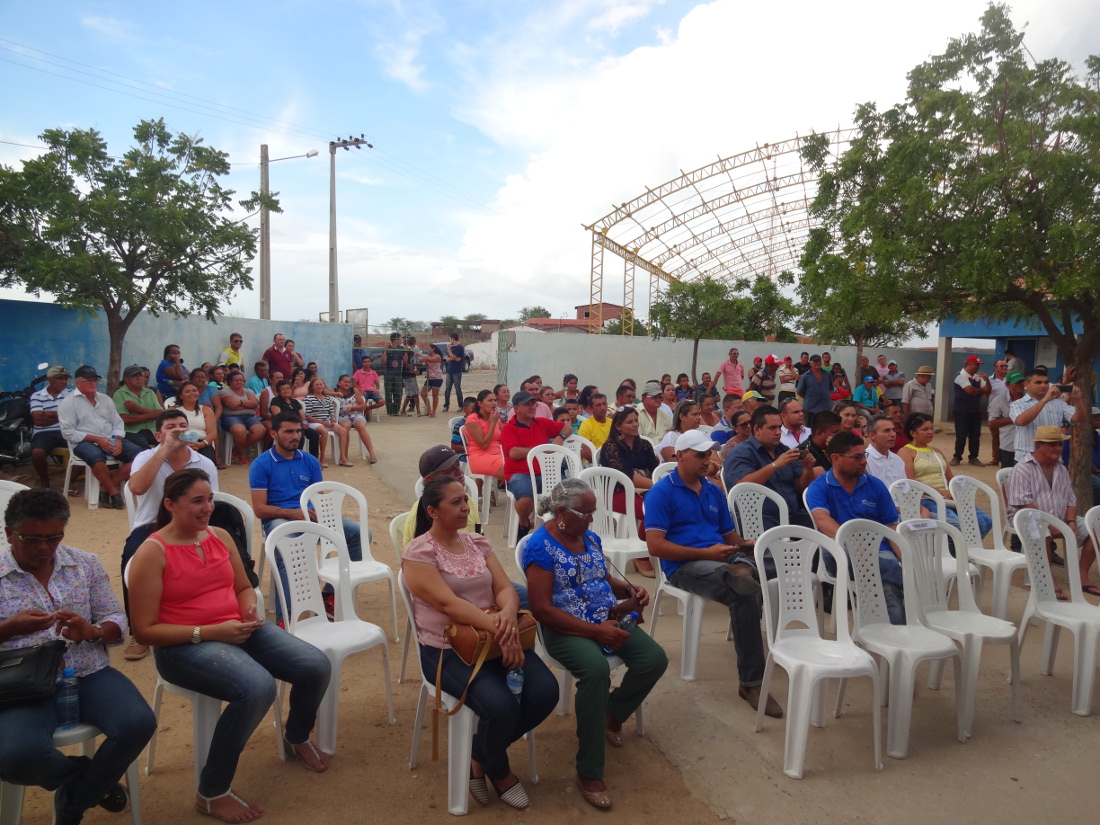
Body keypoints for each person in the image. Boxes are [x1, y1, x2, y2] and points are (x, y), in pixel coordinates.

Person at [129, 469, 331, 822]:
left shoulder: (219, 536)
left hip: (236, 627)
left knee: (314, 665)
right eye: (197, 501)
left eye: (209, 499)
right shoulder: (152, 552)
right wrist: (210, 632)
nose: (207, 508)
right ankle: (212, 791)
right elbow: (145, 631)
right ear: (170, 505)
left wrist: (246, 609)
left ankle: (296, 735)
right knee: (256, 687)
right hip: (184, 645)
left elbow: (241, 585)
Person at [0, 489, 156, 825]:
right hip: (20, 683)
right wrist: (8, 629)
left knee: (138, 723)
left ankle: (72, 802)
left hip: (87, 671)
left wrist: (94, 632)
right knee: (15, 757)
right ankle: (88, 781)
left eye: (54, 537)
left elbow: (116, 617)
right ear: (9, 533)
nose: (44, 547)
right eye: (32, 539)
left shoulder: (83, 563)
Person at [402, 477, 557, 812]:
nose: (465, 507)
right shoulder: (419, 553)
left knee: (545, 692)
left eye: (465, 499)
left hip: (495, 638)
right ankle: (499, 771)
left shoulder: (477, 542)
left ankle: (479, 755)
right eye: (456, 502)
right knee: (500, 706)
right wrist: (504, 630)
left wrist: (509, 616)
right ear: (433, 511)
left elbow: (504, 588)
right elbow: (448, 605)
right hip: (446, 648)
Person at [522, 479, 667, 811]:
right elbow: (542, 608)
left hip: (606, 615)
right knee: (595, 670)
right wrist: (596, 632)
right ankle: (589, 771)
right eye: (585, 514)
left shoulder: (588, 537)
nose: (591, 520)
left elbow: (600, 578)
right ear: (561, 513)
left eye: (592, 513)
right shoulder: (540, 547)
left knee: (654, 659)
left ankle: (611, 715)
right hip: (564, 627)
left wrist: (629, 591)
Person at [645, 430, 781, 717]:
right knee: (739, 588)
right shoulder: (661, 492)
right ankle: (751, 683)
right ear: (679, 455)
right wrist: (707, 553)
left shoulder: (712, 490)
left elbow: (731, 537)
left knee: (778, 563)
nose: (707, 461)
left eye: (709, 455)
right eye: (699, 455)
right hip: (684, 566)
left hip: (722, 555)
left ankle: (744, 570)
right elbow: (656, 546)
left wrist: (750, 546)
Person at [120, 408, 220, 660]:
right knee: (130, 559)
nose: (178, 431)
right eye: (170, 427)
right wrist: (165, 449)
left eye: (183, 426)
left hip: (192, 526)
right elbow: (137, 487)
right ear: (158, 435)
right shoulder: (146, 457)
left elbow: (210, 503)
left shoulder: (204, 461)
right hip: (151, 526)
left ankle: (208, 617)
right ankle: (138, 631)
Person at [249, 413, 365, 623]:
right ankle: (289, 619)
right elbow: (259, 509)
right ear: (274, 434)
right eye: (289, 431)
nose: (296, 436)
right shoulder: (262, 464)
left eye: (298, 431)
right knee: (288, 548)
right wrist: (290, 513)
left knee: (359, 534)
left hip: (311, 518)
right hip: (280, 520)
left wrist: (323, 515)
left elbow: (317, 497)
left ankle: (329, 595)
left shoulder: (310, 461)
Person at [806, 430, 906, 624]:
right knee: (892, 568)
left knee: (887, 588)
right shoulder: (820, 486)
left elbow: (891, 525)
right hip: (840, 551)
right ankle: (912, 578)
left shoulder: (875, 485)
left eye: (864, 456)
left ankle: (897, 638)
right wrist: (853, 544)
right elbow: (822, 519)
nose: (864, 462)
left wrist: (905, 555)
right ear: (836, 458)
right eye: (857, 457)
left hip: (878, 551)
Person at [1007, 426, 1099, 599]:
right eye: (1052, 444)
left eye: (1059, 444)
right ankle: (1047, 579)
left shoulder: (1061, 468)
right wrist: (1050, 524)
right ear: (1039, 446)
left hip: (1060, 518)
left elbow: (1071, 500)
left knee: (1096, 528)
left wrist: (1070, 523)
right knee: (1043, 532)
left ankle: (1081, 575)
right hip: (1027, 518)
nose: (1058, 448)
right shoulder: (1023, 468)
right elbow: (1023, 504)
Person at [58, 365, 142, 510]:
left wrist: (118, 439)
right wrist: (97, 439)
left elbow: (118, 423)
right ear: (77, 383)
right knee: (96, 457)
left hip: (110, 438)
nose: (93, 383)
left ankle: (105, 488)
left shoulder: (105, 399)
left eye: (95, 380)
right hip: (84, 441)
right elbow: (68, 432)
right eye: (88, 380)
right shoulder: (68, 403)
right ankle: (114, 492)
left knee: (139, 456)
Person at [723, 405, 816, 532]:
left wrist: (807, 469)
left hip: (793, 516)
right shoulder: (741, 453)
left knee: (823, 534)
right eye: (772, 428)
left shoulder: (783, 450)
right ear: (757, 429)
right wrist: (775, 465)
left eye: (779, 427)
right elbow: (742, 487)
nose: (778, 432)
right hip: (759, 520)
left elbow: (800, 487)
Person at [899, 412, 991, 535]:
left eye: (931, 428)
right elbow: (911, 482)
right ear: (913, 433)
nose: (930, 432)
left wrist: (954, 492)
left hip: (947, 497)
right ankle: (960, 551)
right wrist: (941, 492)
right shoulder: (905, 452)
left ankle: (967, 549)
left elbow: (950, 478)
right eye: (925, 429)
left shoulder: (936, 451)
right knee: (958, 524)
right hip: (926, 499)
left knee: (985, 521)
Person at [501, 391, 572, 541]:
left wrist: (560, 437)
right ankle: (524, 522)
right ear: (516, 408)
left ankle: (560, 530)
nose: (532, 406)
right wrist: (540, 450)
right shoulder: (509, 428)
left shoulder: (542, 423)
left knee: (571, 493)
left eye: (533, 403)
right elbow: (513, 453)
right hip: (520, 473)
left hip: (545, 473)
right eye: (527, 404)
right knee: (525, 500)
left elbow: (567, 428)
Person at [599, 406, 660, 575]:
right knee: (651, 509)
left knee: (665, 505)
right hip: (616, 492)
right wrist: (657, 487)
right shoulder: (611, 447)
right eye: (629, 422)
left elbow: (655, 470)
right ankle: (640, 555)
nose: (635, 425)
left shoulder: (645, 445)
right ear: (618, 426)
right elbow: (625, 476)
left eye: (636, 421)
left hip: (642, 489)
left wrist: (658, 486)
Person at [1010, 368, 1088, 464]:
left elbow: (1081, 419)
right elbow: (1021, 421)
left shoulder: (1058, 403)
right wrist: (1044, 400)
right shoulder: (1018, 404)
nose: (1043, 385)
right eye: (1038, 383)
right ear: (1026, 385)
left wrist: (1077, 399)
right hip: (1027, 459)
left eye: (1046, 382)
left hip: (1053, 460)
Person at [29, 365, 74, 489]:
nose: (64, 382)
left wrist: (49, 413)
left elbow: (75, 416)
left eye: (65, 379)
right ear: (49, 379)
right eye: (60, 378)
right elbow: (38, 421)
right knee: (37, 453)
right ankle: (45, 482)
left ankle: (68, 483)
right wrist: (63, 414)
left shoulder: (72, 394)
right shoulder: (37, 396)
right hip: (43, 433)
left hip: (67, 430)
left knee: (85, 450)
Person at [951, 355, 991, 467]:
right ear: (969, 365)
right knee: (961, 434)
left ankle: (973, 457)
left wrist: (986, 380)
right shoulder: (959, 376)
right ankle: (957, 456)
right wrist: (981, 391)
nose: (978, 367)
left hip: (975, 410)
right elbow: (970, 391)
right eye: (976, 364)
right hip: (961, 410)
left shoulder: (977, 377)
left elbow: (987, 390)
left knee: (975, 435)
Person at [219, 371, 265, 465]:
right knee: (240, 430)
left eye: (241, 380)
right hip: (230, 417)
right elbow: (232, 406)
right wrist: (248, 405)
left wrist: (239, 402)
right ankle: (241, 454)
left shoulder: (248, 391)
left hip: (249, 416)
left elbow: (254, 404)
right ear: (230, 381)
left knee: (261, 430)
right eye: (236, 380)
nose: (239, 382)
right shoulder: (225, 391)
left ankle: (237, 449)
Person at [112, 365, 162, 450]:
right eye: (135, 375)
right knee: (144, 449)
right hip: (132, 432)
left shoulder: (150, 392)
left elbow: (160, 413)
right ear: (126, 379)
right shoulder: (119, 394)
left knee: (169, 444)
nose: (139, 378)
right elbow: (125, 419)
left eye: (140, 375)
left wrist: (137, 409)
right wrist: (152, 415)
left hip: (152, 431)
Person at [334, 374, 379, 465]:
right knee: (345, 427)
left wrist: (353, 408)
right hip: (343, 416)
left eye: (348, 382)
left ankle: (371, 453)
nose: (347, 384)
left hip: (356, 414)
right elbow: (324, 391)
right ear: (339, 383)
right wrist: (334, 393)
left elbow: (363, 406)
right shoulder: (334, 391)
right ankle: (344, 456)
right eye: (344, 382)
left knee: (360, 426)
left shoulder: (354, 390)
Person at [269, 379, 320, 458]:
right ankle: (295, 458)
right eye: (283, 389)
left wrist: (304, 423)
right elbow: (277, 417)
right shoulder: (276, 401)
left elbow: (302, 416)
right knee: (300, 436)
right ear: (278, 392)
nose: (286, 390)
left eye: (288, 388)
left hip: (298, 426)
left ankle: (314, 459)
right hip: (284, 427)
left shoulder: (295, 402)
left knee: (314, 434)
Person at [174, 380, 219, 464]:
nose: (192, 393)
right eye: (187, 391)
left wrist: (202, 444)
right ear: (181, 396)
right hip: (180, 444)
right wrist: (185, 444)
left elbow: (212, 433)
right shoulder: (174, 411)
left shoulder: (206, 410)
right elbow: (171, 432)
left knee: (207, 462)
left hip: (202, 443)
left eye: (194, 391)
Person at [988, 370, 1026, 469]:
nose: (1021, 384)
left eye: (1022, 382)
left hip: (1027, 446)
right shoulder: (999, 400)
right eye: (1017, 382)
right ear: (1007, 384)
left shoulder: (1030, 398)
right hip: (1009, 445)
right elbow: (992, 423)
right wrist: (1015, 418)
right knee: (1007, 476)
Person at [465, 390, 505, 482]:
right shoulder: (472, 419)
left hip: (498, 453)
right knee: (510, 470)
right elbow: (483, 444)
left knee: (521, 465)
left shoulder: (493, 417)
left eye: (495, 400)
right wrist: (493, 423)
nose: (494, 403)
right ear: (480, 403)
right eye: (490, 400)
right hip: (480, 456)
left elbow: (505, 436)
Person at [303, 376, 341, 469]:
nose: (319, 386)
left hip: (326, 421)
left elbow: (331, 412)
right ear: (312, 387)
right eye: (317, 385)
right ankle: (322, 457)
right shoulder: (309, 398)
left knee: (342, 431)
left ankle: (343, 457)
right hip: (314, 422)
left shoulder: (327, 398)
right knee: (324, 431)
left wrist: (333, 420)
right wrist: (323, 422)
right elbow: (308, 416)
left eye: (321, 384)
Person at [865, 414, 906, 487]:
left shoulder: (898, 460)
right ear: (872, 435)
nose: (893, 434)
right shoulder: (864, 460)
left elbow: (905, 489)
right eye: (886, 431)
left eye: (894, 430)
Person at [799, 409, 841, 477]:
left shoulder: (835, 447)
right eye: (835, 433)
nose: (839, 436)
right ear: (819, 433)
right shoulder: (805, 452)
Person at [795, 354, 834, 427]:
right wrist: (811, 397)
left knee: (825, 429)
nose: (818, 363)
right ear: (810, 364)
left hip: (825, 408)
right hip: (810, 408)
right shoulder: (805, 376)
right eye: (815, 361)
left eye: (819, 361)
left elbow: (831, 388)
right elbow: (799, 392)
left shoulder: (828, 374)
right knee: (810, 430)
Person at [383, 333, 405, 416]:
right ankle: (389, 412)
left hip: (398, 374)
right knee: (388, 394)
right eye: (400, 339)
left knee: (398, 393)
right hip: (389, 374)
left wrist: (405, 352)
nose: (401, 340)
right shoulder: (388, 348)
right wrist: (385, 352)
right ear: (395, 340)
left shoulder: (401, 348)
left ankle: (396, 411)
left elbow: (405, 361)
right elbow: (383, 361)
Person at [442, 333, 465, 412]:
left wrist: (449, 351)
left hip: (457, 371)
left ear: (452, 339)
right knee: (447, 389)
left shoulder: (459, 347)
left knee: (457, 389)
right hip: (449, 370)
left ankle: (461, 406)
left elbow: (456, 357)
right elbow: (449, 358)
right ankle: (446, 405)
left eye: (450, 339)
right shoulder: (452, 348)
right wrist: (452, 357)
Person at [399, 337, 422, 416]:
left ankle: (418, 411)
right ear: (414, 342)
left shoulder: (409, 350)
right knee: (410, 393)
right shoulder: (409, 351)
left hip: (409, 374)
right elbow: (406, 363)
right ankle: (403, 410)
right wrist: (414, 370)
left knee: (415, 392)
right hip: (408, 374)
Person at [420, 343, 444, 418]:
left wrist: (421, 355)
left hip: (437, 377)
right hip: (430, 378)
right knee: (423, 393)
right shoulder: (429, 356)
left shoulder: (437, 356)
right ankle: (429, 410)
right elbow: (422, 361)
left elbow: (431, 360)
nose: (428, 350)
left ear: (433, 349)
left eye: (429, 348)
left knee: (435, 395)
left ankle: (434, 411)